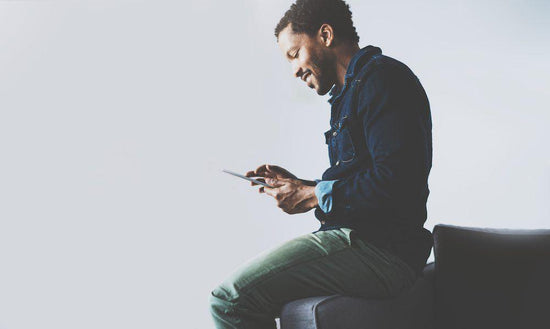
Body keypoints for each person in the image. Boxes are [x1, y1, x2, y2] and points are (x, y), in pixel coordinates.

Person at [209, 0, 433, 328]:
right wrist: (301, 186)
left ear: (325, 35)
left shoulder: (382, 79)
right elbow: (365, 181)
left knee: (229, 300)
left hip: (381, 251)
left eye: (294, 54)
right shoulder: (348, 95)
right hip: (365, 242)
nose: (294, 70)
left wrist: (313, 193)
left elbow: (395, 182)